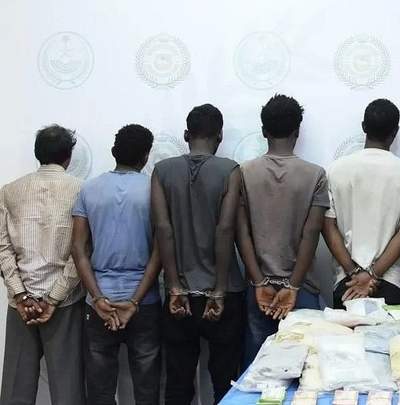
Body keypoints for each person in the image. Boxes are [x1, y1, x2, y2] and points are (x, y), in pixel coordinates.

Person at [152, 104, 245, 405]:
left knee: (178, 385)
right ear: (220, 136)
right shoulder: (230, 170)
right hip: (224, 292)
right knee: (226, 384)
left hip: (179, 294)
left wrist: (174, 287)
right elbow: (225, 229)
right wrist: (218, 290)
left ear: (185, 135)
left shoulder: (162, 171)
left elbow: (163, 229)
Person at [71, 124, 162, 405]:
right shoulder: (154, 190)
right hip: (144, 302)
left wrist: (98, 298)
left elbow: (78, 249)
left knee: (99, 392)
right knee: (147, 389)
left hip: (100, 303)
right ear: (145, 156)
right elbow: (160, 251)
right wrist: (134, 302)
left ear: (114, 152)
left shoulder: (89, 189)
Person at [238, 94, 329, 364]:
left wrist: (260, 282)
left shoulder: (243, 172)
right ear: (297, 131)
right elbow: (311, 234)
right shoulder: (315, 175)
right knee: (306, 373)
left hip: (259, 290)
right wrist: (293, 285)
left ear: (263, 131)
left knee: (258, 371)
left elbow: (241, 234)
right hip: (301, 288)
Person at [0, 125, 85, 404]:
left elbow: (3, 249)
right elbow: (81, 251)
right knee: (68, 389)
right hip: (65, 303)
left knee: (16, 390)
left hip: (20, 306)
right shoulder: (81, 190)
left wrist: (21, 295)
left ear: (38, 154)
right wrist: (53, 297)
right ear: (68, 157)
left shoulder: (9, 191)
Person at [323, 99, 400, 308]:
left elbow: (328, 227)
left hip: (348, 283)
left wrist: (355, 272)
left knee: (345, 331)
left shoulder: (335, 170)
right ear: (395, 132)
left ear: (363, 127)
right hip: (392, 281)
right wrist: (373, 274)